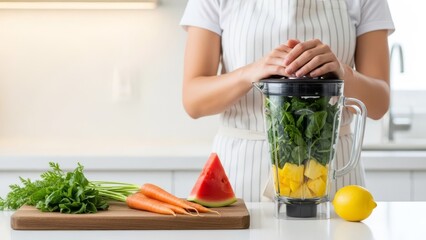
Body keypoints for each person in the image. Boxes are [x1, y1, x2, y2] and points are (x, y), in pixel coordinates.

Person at [180, 0, 395, 202]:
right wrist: (250, 73)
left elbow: (379, 103)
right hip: (242, 174)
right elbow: (194, 100)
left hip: (332, 172)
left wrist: (341, 73)